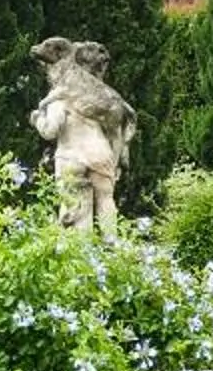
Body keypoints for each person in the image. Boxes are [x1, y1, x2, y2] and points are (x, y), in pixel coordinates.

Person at [30, 36, 137, 235]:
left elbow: (50, 131)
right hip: (100, 153)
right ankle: (112, 243)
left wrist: (37, 119)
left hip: (71, 156)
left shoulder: (59, 99)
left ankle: (77, 249)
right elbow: (116, 132)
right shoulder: (96, 105)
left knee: (72, 201)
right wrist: (116, 160)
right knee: (106, 199)